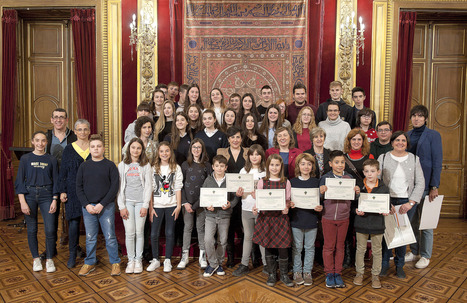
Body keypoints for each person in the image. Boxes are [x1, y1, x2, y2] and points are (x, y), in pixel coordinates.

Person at [378, 131, 425, 279]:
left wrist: (411, 203)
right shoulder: (383, 157)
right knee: (388, 234)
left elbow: (420, 183)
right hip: (388, 201)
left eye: (403, 140)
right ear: (392, 142)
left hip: (406, 203)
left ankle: (399, 265)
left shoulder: (414, 159)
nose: (400, 143)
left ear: (407, 143)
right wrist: (386, 202)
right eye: (397, 140)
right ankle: (384, 264)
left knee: (402, 236)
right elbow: (378, 182)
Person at [76, 135, 120, 276]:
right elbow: (78, 187)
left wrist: (102, 204)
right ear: (89, 148)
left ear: (103, 148)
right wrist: (86, 205)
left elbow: (114, 188)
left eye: (98, 146)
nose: (96, 149)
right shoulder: (84, 166)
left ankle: (115, 262)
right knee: (90, 237)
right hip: (88, 207)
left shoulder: (110, 165)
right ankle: (89, 262)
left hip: (105, 207)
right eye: (93, 146)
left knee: (109, 236)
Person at [15, 131, 59, 273]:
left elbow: (56, 181)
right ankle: (36, 259)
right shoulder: (25, 159)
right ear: (33, 142)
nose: (40, 143)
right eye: (37, 140)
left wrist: (54, 199)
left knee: (50, 229)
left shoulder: (51, 159)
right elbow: (20, 181)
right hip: (29, 195)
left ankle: (50, 259)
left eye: (43, 141)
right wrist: (22, 202)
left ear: (46, 142)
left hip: (47, 195)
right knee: (32, 229)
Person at [406, 105, 442, 269]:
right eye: (414, 115)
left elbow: (437, 161)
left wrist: (434, 185)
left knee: (426, 223)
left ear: (426, 118)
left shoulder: (433, 135)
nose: (417, 118)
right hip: (410, 186)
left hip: (427, 185)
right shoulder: (406, 135)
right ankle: (415, 251)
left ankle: (426, 255)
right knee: (412, 221)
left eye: (420, 116)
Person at [319, 150, 360, 288]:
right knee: (329, 247)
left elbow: (353, 199)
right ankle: (329, 273)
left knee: (340, 246)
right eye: (337, 162)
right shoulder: (325, 178)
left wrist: (357, 193)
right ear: (330, 164)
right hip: (328, 217)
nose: (340, 165)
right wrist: (321, 192)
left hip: (344, 217)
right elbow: (318, 199)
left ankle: (338, 273)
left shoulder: (349, 179)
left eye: (342, 162)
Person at [252, 154, 293, 287]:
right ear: (267, 166)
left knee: (283, 248)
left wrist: (287, 207)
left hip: (280, 219)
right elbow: (258, 202)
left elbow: (287, 201)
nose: (274, 168)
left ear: (281, 166)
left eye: (277, 165)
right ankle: (271, 274)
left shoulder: (285, 182)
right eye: (272, 165)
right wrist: (255, 209)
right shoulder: (262, 182)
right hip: (266, 219)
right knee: (268, 246)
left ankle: (284, 274)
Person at [59, 119, 91, 268]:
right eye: (80, 129)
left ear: (89, 131)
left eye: (85, 129)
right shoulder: (69, 149)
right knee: (73, 223)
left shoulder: (94, 147)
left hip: (91, 190)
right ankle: (72, 254)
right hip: (72, 190)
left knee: (92, 223)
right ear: (75, 131)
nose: (83, 132)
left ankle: (91, 255)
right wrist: (62, 190)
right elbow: (63, 172)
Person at [117, 138, 152, 274]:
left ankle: (138, 259)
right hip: (127, 203)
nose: (135, 150)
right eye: (133, 148)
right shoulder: (122, 165)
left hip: (140, 203)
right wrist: (121, 206)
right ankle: (130, 260)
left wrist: (145, 205)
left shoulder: (145, 165)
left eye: (138, 148)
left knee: (139, 232)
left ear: (142, 150)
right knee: (130, 232)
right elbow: (119, 188)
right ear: (128, 149)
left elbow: (149, 187)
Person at [353, 159, 389, 289]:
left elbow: (387, 205)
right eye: (367, 171)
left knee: (377, 250)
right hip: (361, 223)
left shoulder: (384, 188)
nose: (369, 174)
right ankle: (359, 273)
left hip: (377, 224)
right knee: (360, 249)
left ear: (378, 172)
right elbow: (352, 204)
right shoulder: (358, 188)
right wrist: (355, 210)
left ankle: (375, 275)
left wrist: (386, 210)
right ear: (363, 172)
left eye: (372, 171)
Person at [147, 142, 183, 273]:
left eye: (167, 151)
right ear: (158, 153)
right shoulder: (153, 168)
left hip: (171, 205)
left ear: (170, 152)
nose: (164, 154)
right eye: (161, 151)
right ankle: (156, 259)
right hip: (157, 205)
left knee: (169, 232)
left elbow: (178, 187)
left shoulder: (176, 168)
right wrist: (151, 208)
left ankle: (167, 259)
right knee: (154, 233)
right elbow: (150, 189)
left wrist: (178, 206)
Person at [46, 108, 77, 258]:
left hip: (70, 181)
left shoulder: (73, 136)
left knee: (72, 217)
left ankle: (74, 248)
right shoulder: (46, 137)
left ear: (66, 120)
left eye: (62, 117)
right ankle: (50, 249)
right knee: (51, 217)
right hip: (50, 182)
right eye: (56, 117)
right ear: (51, 120)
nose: (58, 120)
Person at [177, 139, 212, 270]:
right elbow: (180, 185)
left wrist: (197, 204)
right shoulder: (185, 165)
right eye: (194, 147)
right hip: (187, 203)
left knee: (201, 228)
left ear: (202, 150)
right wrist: (185, 202)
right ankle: (184, 255)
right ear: (191, 149)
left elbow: (208, 186)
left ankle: (202, 256)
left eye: (199, 147)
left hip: (201, 203)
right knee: (187, 228)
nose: (196, 150)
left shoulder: (207, 166)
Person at [232, 144, 267, 277]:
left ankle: (266, 264)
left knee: (263, 237)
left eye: (257, 154)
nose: (254, 157)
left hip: (261, 209)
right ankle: (244, 264)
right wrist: (239, 193)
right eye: (252, 154)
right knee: (248, 237)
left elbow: (269, 192)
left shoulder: (265, 171)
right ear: (248, 156)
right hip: (246, 208)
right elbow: (239, 189)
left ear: (261, 156)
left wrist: (258, 195)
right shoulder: (243, 171)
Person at [202, 155, 239, 277]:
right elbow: (203, 197)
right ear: (213, 167)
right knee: (208, 240)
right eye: (217, 166)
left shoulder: (230, 181)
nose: (219, 168)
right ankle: (213, 264)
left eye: (222, 166)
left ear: (226, 167)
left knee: (222, 241)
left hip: (224, 215)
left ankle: (219, 263)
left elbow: (235, 198)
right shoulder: (208, 180)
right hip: (210, 215)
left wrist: (230, 205)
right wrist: (207, 206)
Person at [217, 126, 249, 268]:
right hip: (228, 195)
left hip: (245, 196)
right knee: (229, 227)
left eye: (238, 137)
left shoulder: (248, 153)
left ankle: (246, 257)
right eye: (232, 137)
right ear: (228, 139)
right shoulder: (221, 152)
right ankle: (230, 258)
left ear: (241, 139)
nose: (235, 140)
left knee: (245, 228)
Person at [290, 153, 323, 286]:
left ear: (312, 166)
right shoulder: (292, 182)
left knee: (310, 247)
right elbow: (287, 200)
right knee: (297, 247)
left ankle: (307, 271)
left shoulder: (316, 182)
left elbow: (320, 201)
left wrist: (320, 207)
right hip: (296, 220)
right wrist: (290, 204)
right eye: (303, 164)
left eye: (309, 164)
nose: (306, 166)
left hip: (311, 220)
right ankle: (297, 271)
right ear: (298, 165)